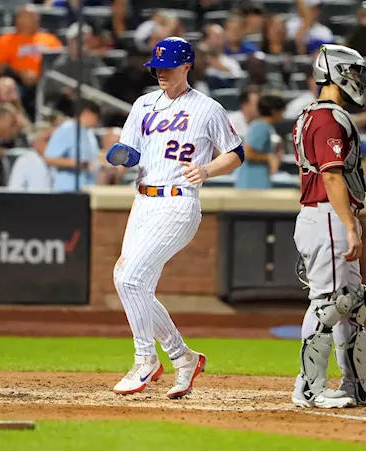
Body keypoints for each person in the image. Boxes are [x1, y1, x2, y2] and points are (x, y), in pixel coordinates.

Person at [104, 37, 244, 399]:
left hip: (179, 203)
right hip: (144, 200)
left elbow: (236, 153)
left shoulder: (208, 108)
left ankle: (145, 360)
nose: (161, 73)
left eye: (168, 67)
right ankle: (183, 357)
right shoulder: (143, 104)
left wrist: (208, 169)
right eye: (157, 67)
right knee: (129, 281)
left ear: (187, 66)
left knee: (131, 279)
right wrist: (122, 156)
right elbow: (130, 151)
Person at [291, 44, 366, 409]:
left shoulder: (316, 114)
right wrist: (349, 226)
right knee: (330, 302)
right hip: (328, 215)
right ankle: (309, 388)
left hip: (328, 215)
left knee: (353, 303)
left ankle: (356, 385)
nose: (359, 80)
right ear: (334, 73)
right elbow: (332, 177)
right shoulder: (327, 118)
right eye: (353, 72)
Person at [44, 99, 102, 192]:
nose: (97, 121)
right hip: (67, 189)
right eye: (96, 117)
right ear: (86, 113)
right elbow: (49, 158)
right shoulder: (67, 129)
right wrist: (79, 164)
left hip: (87, 188)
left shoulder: (90, 133)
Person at [235, 92, 285, 189]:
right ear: (274, 111)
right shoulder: (261, 127)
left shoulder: (263, 126)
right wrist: (269, 157)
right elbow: (247, 153)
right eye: (282, 111)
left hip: (256, 183)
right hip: (252, 184)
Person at [7, 122, 53, 191]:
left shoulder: (61, 160)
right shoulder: (24, 161)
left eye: (53, 139)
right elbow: (14, 190)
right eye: (47, 140)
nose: (52, 143)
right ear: (34, 143)